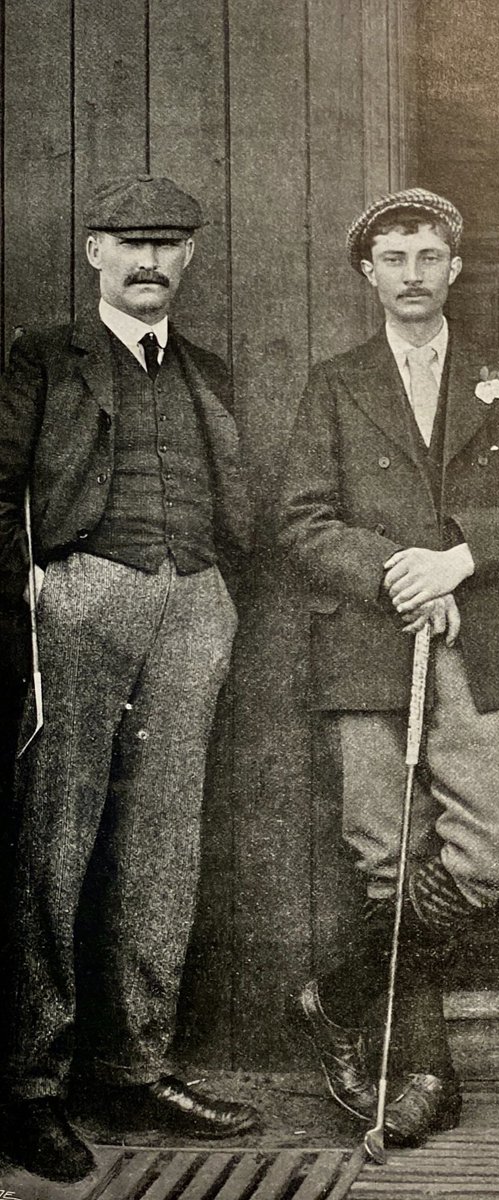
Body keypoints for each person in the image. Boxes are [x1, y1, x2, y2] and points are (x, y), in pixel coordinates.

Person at [278, 188, 499, 1149]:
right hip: (370, 647)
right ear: (369, 273)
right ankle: (424, 1072)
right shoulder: (335, 381)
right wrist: (396, 575)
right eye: (393, 258)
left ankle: (343, 990)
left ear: (455, 267)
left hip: (480, 641)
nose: (412, 275)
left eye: (428, 257)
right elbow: (302, 519)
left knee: (494, 849)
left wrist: (459, 558)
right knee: (386, 860)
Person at [0, 175, 258, 1182]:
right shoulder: (43, 359)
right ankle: (28, 1086)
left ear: (189, 257)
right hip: (78, 599)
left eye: (167, 243)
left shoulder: (208, 370)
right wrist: (32, 598)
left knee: (165, 842)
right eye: (127, 241)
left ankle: (133, 1066)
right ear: (96, 254)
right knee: (53, 844)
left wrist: (218, 585)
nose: (148, 259)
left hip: (193, 599)